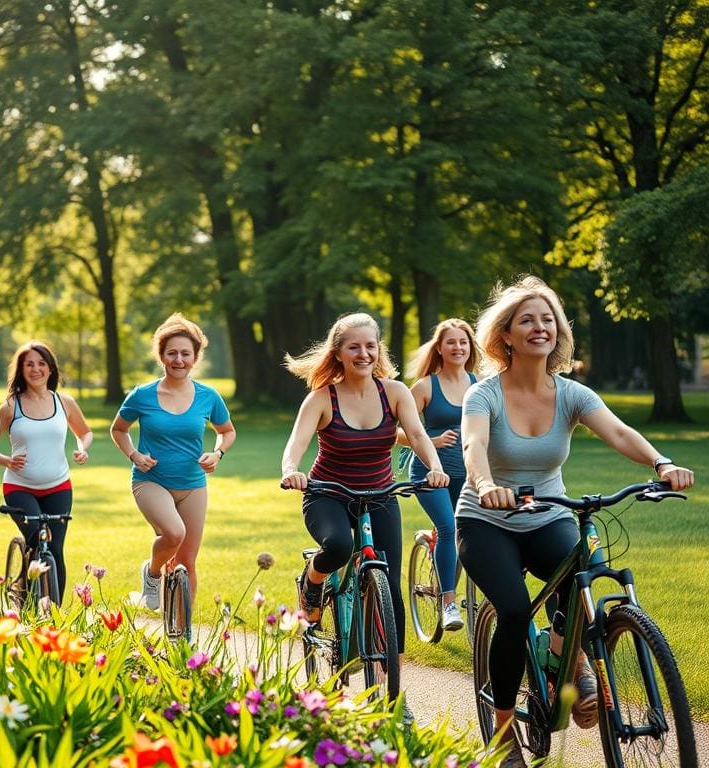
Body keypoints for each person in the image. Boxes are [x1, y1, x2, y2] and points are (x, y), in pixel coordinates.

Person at [456, 276, 694, 766]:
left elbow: (619, 431)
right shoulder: (483, 395)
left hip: (549, 514)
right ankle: (502, 738)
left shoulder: (571, 394)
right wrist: (484, 484)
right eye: (527, 320)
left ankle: (572, 666)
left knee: (587, 574)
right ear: (506, 335)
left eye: (548, 319)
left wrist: (661, 463)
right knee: (516, 611)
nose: (539, 327)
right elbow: (472, 445)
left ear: (558, 331)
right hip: (487, 519)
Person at [279, 312, 449, 668]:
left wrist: (435, 467)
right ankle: (312, 584)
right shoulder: (322, 398)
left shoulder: (395, 392)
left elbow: (417, 435)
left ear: (379, 350)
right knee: (339, 546)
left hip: (379, 495)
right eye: (354, 346)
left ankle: (395, 686)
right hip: (328, 494)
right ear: (338, 353)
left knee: (388, 581)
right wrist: (292, 470)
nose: (363, 353)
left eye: (370, 345)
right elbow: (297, 442)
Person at [110, 313, 236, 610]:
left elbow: (227, 432)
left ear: (194, 358)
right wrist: (134, 455)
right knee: (174, 534)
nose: (178, 359)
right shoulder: (142, 395)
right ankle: (152, 573)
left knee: (187, 562)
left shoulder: (209, 396)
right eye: (172, 353)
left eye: (185, 353)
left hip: (193, 484)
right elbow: (118, 429)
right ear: (162, 356)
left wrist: (217, 453)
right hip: (151, 481)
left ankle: (182, 637)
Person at [0, 341, 93, 604]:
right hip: (19, 488)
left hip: (58, 486)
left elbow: (85, 432)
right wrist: (6, 461)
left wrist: (82, 448)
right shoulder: (10, 406)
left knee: (55, 550)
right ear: (21, 370)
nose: (36, 369)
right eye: (29, 364)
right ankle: (27, 596)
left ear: (51, 368)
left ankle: (53, 617)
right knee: (36, 541)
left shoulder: (64, 402)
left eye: (41, 363)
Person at [396, 318, 479, 631]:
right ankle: (448, 604)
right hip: (430, 474)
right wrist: (432, 441)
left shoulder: (478, 383)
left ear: (469, 347)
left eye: (463, 342)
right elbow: (395, 431)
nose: (458, 347)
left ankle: (440, 564)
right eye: (451, 342)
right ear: (440, 349)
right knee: (449, 527)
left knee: (466, 533)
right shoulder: (424, 386)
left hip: (468, 476)